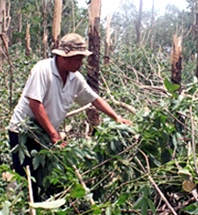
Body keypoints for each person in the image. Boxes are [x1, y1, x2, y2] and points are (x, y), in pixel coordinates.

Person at [8, 33, 132, 201]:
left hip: (46, 134)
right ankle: (16, 209)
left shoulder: (76, 79)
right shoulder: (42, 70)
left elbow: (94, 99)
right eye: (78, 59)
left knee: (45, 179)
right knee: (25, 178)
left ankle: (37, 210)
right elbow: (35, 104)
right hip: (24, 132)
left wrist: (116, 117)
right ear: (63, 58)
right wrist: (54, 135)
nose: (81, 63)